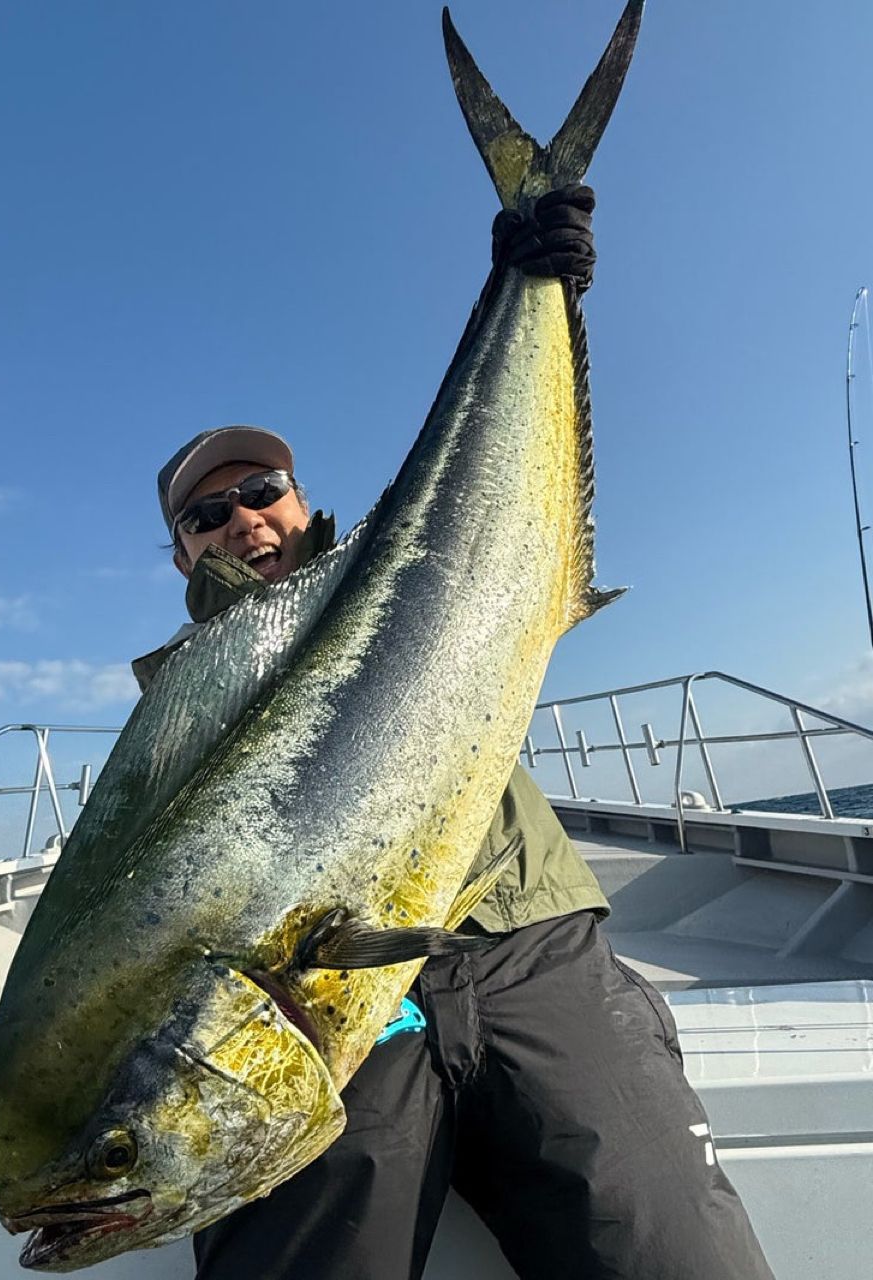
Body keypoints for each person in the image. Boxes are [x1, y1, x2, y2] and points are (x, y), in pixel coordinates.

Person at [132, 193, 775, 1279]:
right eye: (206, 514)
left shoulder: (410, 572)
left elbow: (483, 467)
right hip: (328, 1000)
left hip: (525, 937)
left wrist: (527, 286)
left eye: (262, 489)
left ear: (300, 502)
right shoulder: (172, 708)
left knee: (673, 1249)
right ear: (182, 555)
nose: (243, 515)